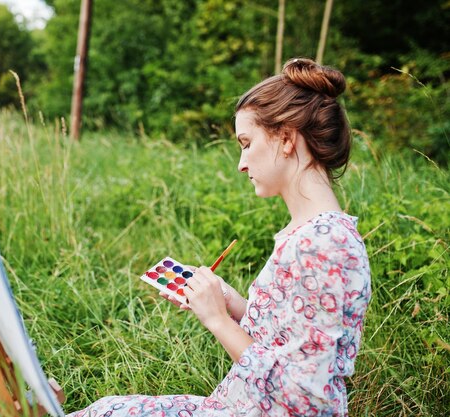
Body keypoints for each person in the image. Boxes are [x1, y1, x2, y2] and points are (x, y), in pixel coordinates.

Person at [66, 58, 371, 417]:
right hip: (238, 404)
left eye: (246, 142)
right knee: (107, 408)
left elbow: (303, 399)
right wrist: (228, 300)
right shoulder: (306, 233)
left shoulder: (322, 244)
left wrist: (217, 320)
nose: (241, 163)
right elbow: (282, 342)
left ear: (286, 138)